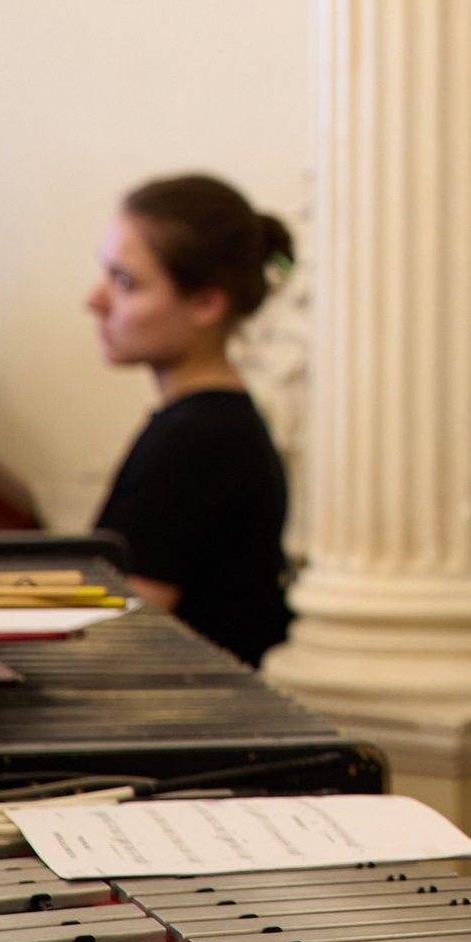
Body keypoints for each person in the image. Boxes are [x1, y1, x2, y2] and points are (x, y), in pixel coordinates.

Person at [87, 174, 295, 667]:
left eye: (125, 282)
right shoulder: (207, 424)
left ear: (206, 303)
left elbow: (120, 638)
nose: (95, 300)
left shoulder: (198, 440)